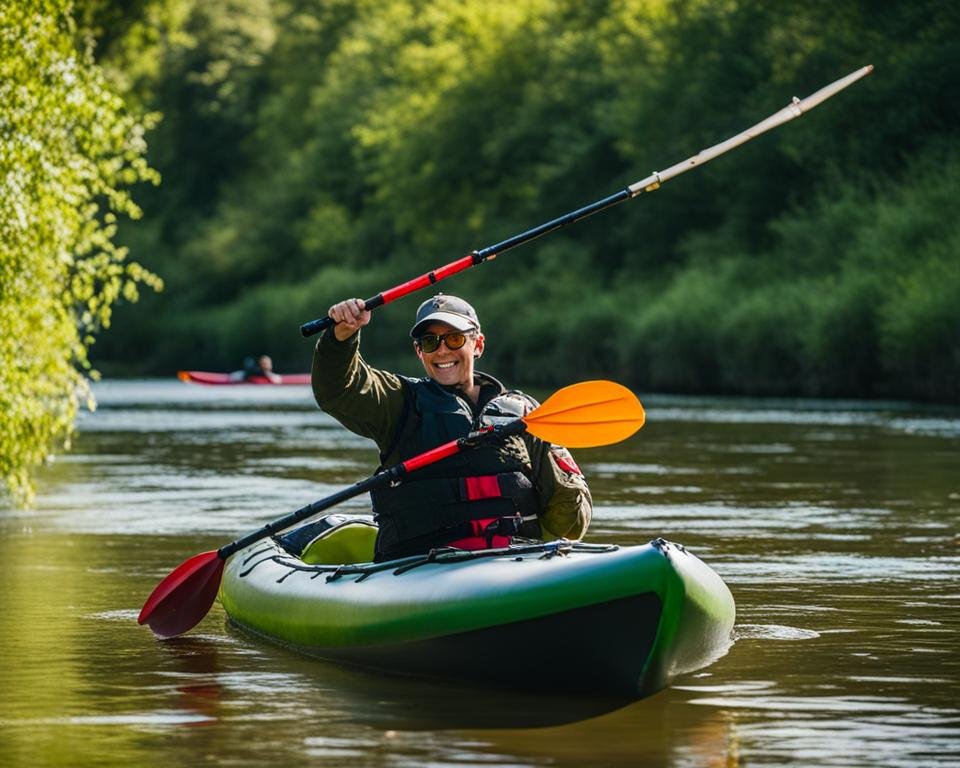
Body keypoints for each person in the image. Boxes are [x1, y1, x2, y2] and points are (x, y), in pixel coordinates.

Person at [312, 293, 592, 561]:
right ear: (419, 351)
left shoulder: (523, 412)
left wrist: (545, 551)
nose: (443, 350)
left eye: (455, 338)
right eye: (430, 341)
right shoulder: (399, 401)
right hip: (420, 569)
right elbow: (338, 389)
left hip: (515, 563)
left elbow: (569, 514)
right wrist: (342, 338)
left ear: (478, 344)